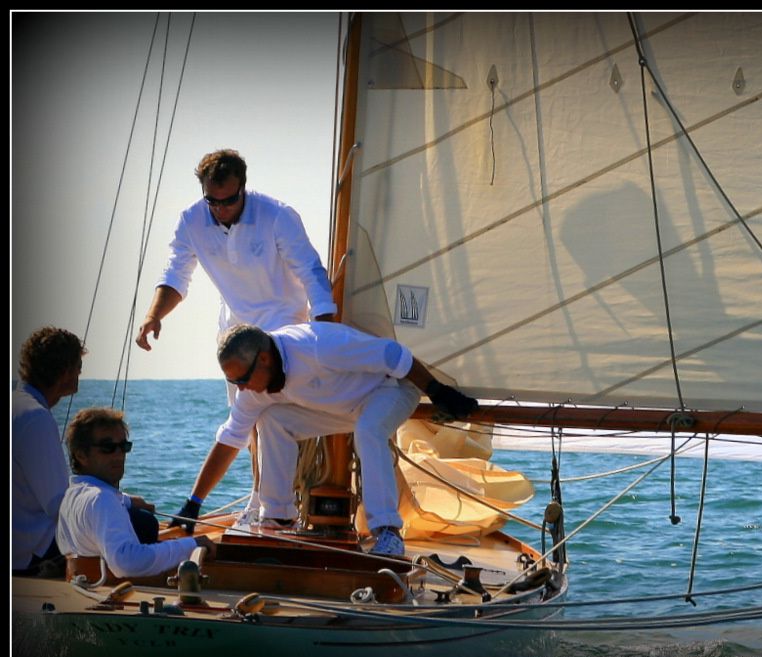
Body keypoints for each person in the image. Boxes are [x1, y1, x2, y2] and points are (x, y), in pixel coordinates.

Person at [135, 149, 337, 521]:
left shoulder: (277, 216)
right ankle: (259, 500)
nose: (220, 209)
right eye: (212, 200)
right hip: (236, 334)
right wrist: (153, 317)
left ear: (243, 187)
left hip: (284, 329)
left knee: (271, 418)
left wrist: (325, 331)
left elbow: (311, 273)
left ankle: (272, 504)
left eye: (228, 200)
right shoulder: (192, 221)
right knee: (246, 424)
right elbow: (177, 275)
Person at [170, 322, 479, 556]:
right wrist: (193, 504)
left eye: (242, 379)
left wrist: (438, 392)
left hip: (391, 389)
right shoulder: (255, 389)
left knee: (369, 431)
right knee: (273, 419)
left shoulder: (318, 346)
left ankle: (387, 532)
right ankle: (278, 520)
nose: (240, 389)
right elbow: (230, 440)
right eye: (232, 381)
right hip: (344, 407)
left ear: (264, 359)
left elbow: (395, 356)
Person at [57, 408, 216, 578]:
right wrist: (192, 544)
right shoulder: (102, 499)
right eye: (108, 447)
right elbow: (127, 562)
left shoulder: (70, 497)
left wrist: (127, 501)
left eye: (124, 446)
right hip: (113, 590)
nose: (119, 454)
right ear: (81, 454)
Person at [12, 327, 86, 577]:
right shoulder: (36, 418)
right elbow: (59, 507)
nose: (80, 373)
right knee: (141, 524)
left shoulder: (17, 406)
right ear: (65, 371)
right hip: (30, 553)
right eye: (78, 366)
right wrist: (120, 503)